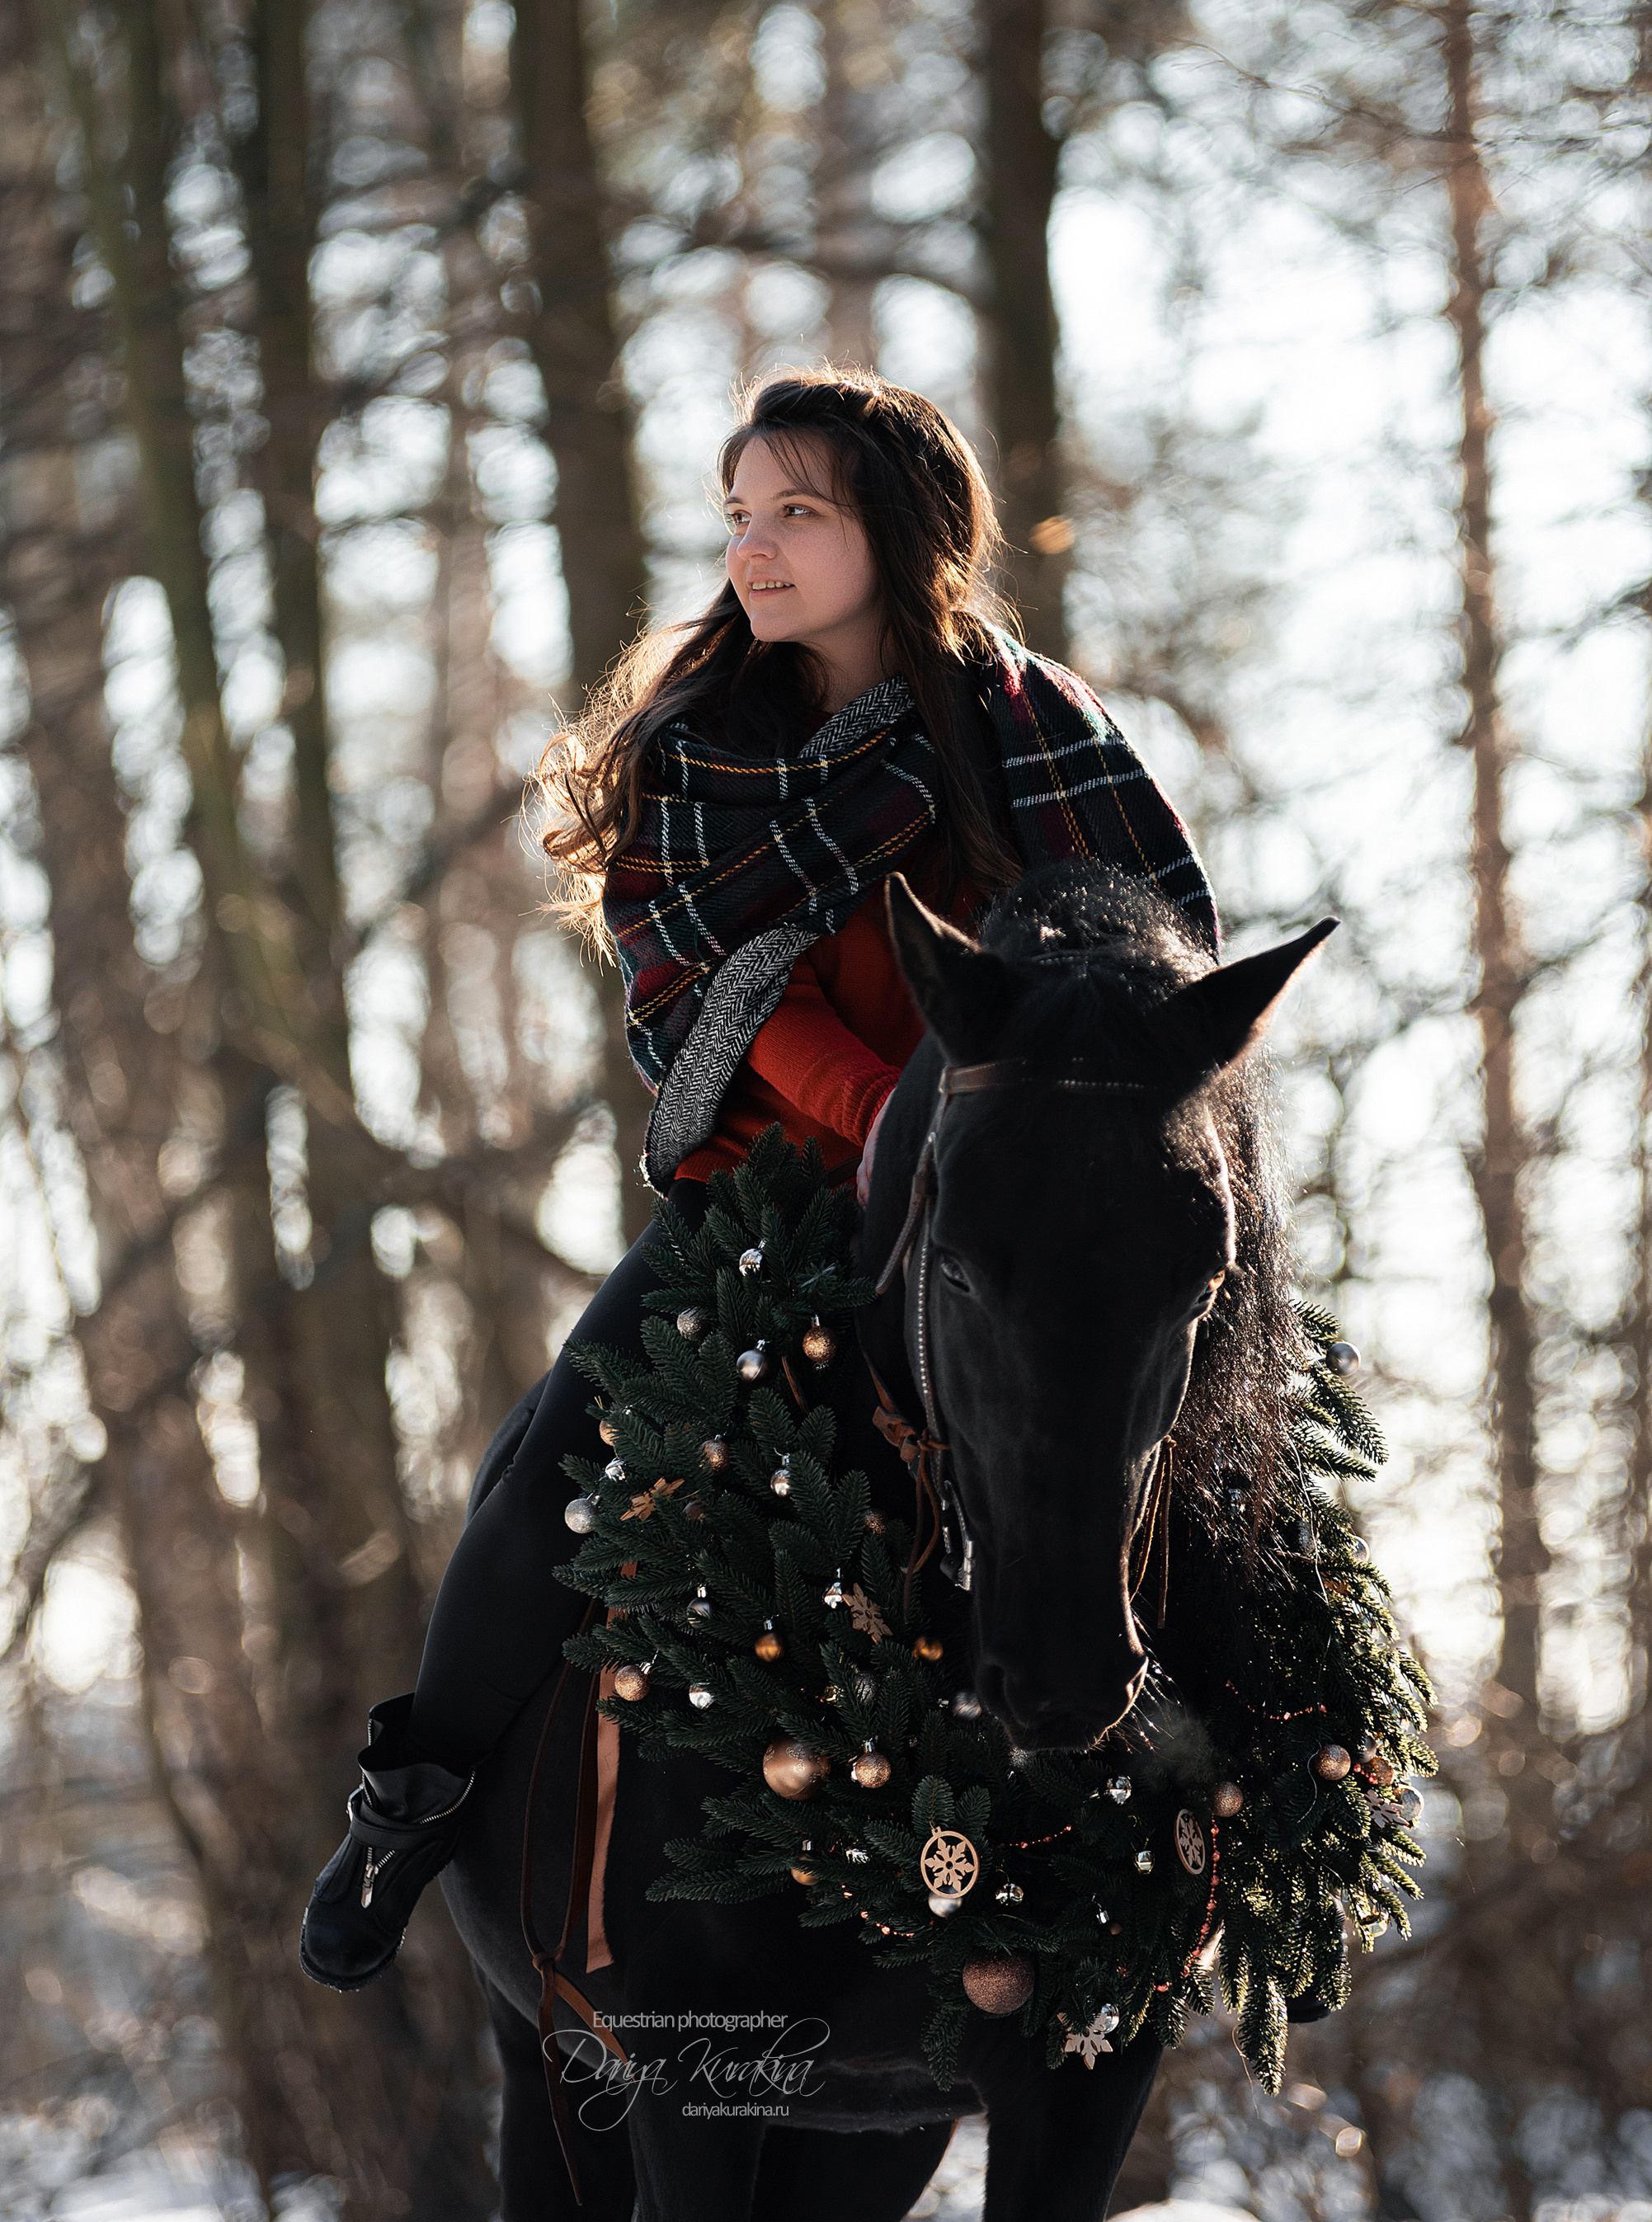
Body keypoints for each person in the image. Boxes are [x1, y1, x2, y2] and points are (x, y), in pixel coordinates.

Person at [299, 368, 1216, 1989]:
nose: (756, 549)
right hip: (777, 1200)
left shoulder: (1039, 734)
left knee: (1212, 1439)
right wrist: (884, 1120)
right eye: (739, 514)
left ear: (904, 532)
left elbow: (1137, 973)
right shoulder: (699, 748)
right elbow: (715, 996)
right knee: (535, 1489)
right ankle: (408, 1811)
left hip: (1001, 1211)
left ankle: (1264, 1791)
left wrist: (1016, 1152)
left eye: (799, 511)